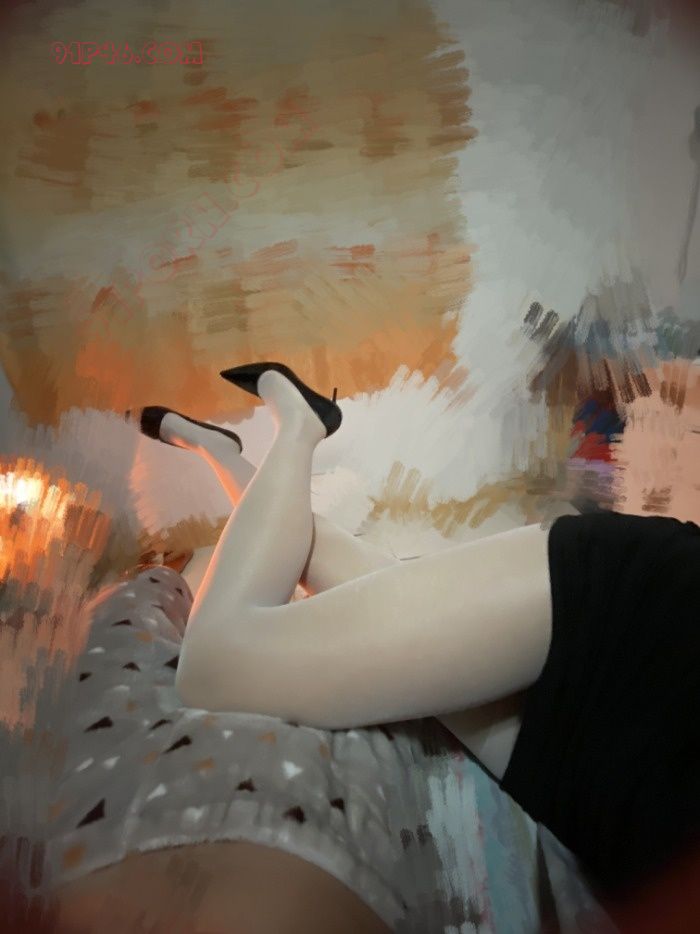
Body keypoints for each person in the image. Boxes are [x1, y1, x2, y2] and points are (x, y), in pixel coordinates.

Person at [153, 361, 700, 905]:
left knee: (324, 562)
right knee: (215, 666)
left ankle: (223, 452)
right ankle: (298, 425)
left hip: (612, 787)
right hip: (646, 625)